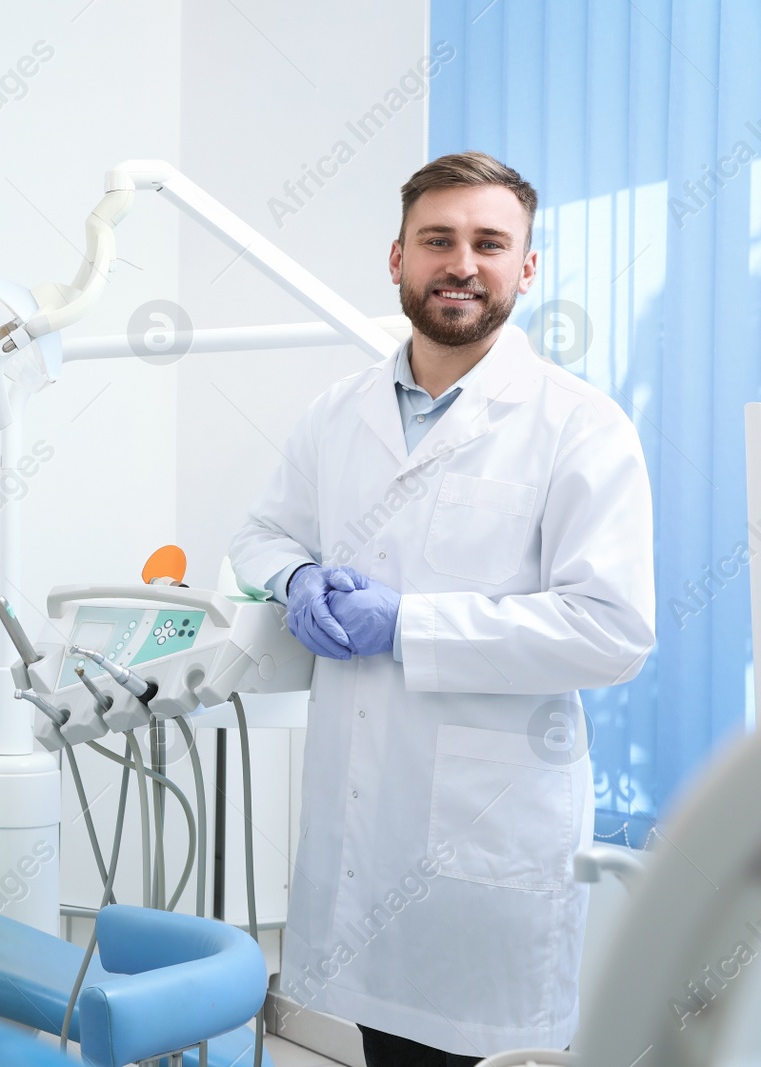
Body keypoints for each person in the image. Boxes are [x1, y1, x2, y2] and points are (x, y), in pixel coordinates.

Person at [229, 151, 655, 1065]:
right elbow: (263, 534)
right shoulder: (337, 413)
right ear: (397, 259)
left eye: (489, 242)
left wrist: (409, 623)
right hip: (359, 837)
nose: (462, 262)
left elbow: (611, 630)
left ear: (527, 267)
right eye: (438, 239)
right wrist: (295, 578)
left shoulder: (580, 425)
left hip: (483, 849)